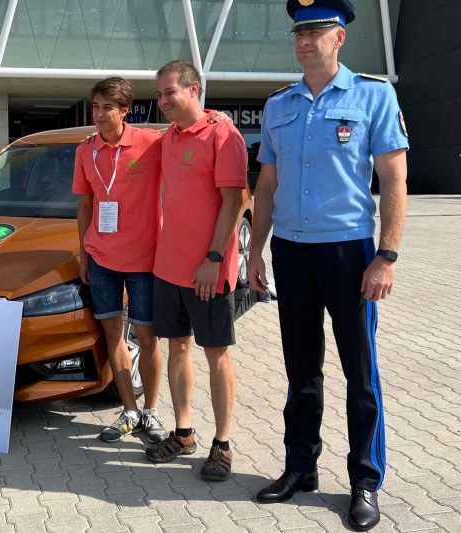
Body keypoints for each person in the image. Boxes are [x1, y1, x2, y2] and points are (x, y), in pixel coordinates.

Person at [248, 1, 409, 530]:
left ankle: (365, 480)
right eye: (298, 32)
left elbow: (394, 180)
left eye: (314, 31)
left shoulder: (374, 95)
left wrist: (386, 256)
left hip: (349, 254)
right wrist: (255, 251)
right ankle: (301, 467)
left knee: (360, 375)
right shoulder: (279, 104)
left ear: (339, 37)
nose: (303, 41)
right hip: (292, 252)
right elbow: (266, 185)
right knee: (301, 371)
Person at [144, 60, 248, 483]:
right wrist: (99, 134)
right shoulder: (168, 136)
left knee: (216, 353)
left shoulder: (223, 134)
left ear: (193, 89)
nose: (163, 100)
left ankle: (222, 444)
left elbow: (234, 200)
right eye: (159, 94)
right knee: (178, 348)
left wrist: (213, 259)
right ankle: (184, 432)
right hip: (168, 267)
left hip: (208, 270)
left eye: (170, 91)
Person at [72, 77, 167, 444]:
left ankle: (151, 411)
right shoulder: (86, 151)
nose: (99, 114)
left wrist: (214, 117)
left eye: (107, 107)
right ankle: (129, 410)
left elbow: (189, 133)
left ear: (125, 110)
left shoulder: (152, 142)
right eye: (95, 107)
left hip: (145, 259)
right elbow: (85, 206)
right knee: (113, 335)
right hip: (101, 258)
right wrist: (84, 254)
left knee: (147, 337)